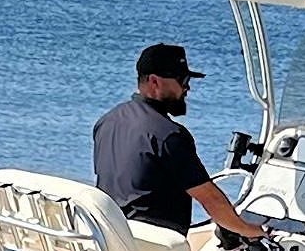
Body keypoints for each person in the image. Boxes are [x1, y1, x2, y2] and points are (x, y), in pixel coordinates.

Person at [93, 43, 267, 239]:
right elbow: (209, 198)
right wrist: (249, 230)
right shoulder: (169, 136)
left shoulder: (107, 121)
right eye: (182, 80)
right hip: (152, 247)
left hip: (112, 236)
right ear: (154, 81)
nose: (187, 88)